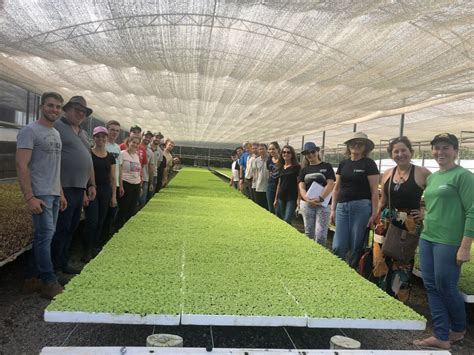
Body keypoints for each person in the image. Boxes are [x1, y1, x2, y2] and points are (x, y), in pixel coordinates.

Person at [413, 133, 473, 350]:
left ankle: (458, 328)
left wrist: (465, 247)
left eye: (446, 147)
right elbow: (431, 204)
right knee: (431, 286)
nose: (440, 152)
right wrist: (424, 214)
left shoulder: (464, 176)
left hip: (449, 241)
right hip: (428, 237)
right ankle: (440, 334)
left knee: (446, 287)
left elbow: (472, 211)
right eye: (436, 148)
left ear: (456, 151)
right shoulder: (433, 178)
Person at [16, 92, 66, 299]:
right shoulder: (29, 131)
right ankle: (48, 280)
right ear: (41, 106)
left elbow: (56, 167)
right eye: (50, 105)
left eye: (57, 107)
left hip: (53, 192)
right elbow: (21, 164)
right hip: (40, 193)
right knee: (45, 236)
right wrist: (30, 197)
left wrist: (61, 192)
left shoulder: (55, 133)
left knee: (44, 237)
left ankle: (30, 279)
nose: (54, 110)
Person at [377, 136, 431, 301]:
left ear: (411, 151)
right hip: (386, 219)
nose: (400, 154)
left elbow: (436, 196)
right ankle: (380, 294)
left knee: (403, 260)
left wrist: (425, 212)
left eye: (403, 150)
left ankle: (399, 298)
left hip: (409, 222)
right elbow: (383, 200)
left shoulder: (422, 172)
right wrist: (376, 215)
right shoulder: (387, 173)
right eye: (396, 151)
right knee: (381, 257)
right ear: (391, 154)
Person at [51, 96, 96, 279]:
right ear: (67, 109)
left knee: (71, 227)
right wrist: (59, 189)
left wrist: (90, 184)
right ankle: (54, 269)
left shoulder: (83, 133)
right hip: (64, 187)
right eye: (76, 110)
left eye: (83, 112)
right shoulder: (57, 128)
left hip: (79, 188)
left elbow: (88, 160)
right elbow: (53, 160)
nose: (80, 114)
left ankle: (63, 262)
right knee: (61, 228)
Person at [330, 132, 379, 267]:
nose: (356, 146)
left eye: (360, 144)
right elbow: (336, 188)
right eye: (353, 143)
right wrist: (333, 209)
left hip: (362, 207)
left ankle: (352, 271)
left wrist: (374, 213)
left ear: (365, 147)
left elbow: (374, 190)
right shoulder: (343, 164)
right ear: (348, 146)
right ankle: (338, 269)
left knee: (356, 244)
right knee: (338, 245)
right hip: (342, 206)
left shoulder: (369, 164)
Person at [82, 126, 116, 262]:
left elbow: (113, 178)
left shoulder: (111, 157)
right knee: (92, 221)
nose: (100, 139)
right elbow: (84, 173)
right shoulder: (88, 153)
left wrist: (113, 196)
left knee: (101, 221)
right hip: (91, 190)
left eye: (103, 136)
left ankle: (95, 246)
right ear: (93, 137)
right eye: (98, 136)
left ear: (107, 138)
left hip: (105, 190)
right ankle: (86, 250)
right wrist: (85, 191)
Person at [298, 142, 335, 246]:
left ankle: (320, 255)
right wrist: (306, 198)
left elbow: (330, 183)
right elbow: (301, 186)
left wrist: (320, 198)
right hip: (308, 204)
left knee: (321, 234)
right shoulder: (304, 170)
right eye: (307, 153)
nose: (310, 155)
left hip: (323, 204)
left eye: (312, 152)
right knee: (309, 232)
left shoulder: (326, 166)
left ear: (317, 151)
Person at [115, 135, 142, 230]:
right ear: (128, 142)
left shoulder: (136, 156)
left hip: (136, 185)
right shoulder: (122, 154)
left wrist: (140, 185)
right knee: (123, 208)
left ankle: (127, 229)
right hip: (126, 184)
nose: (135, 144)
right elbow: (119, 170)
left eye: (137, 143)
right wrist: (121, 185)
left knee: (132, 208)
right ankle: (117, 229)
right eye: (133, 142)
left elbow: (138, 172)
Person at [102, 120, 121, 242]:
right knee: (102, 216)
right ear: (107, 129)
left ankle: (105, 239)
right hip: (104, 185)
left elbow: (119, 167)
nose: (114, 132)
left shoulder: (117, 147)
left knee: (111, 214)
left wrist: (120, 184)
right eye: (112, 129)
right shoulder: (103, 145)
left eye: (117, 130)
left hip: (116, 185)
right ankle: (97, 242)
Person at [274, 145, 300, 224]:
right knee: (283, 220)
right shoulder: (281, 167)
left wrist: (299, 198)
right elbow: (279, 184)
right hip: (281, 197)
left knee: (287, 220)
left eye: (288, 152)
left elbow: (299, 184)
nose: (286, 154)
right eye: (284, 152)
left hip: (291, 198)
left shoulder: (296, 167)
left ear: (292, 154)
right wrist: (276, 198)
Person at [138, 131, 155, 207]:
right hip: (132, 179)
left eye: (149, 137)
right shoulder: (135, 146)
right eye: (146, 136)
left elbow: (151, 168)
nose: (147, 139)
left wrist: (151, 183)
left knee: (142, 201)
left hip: (144, 179)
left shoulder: (150, 152)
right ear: (142, 136)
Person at [266, 141, 281, 214]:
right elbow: (269, 172)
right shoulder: (269, 160)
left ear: (278, 149)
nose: (271, 151)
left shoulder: (282, 160)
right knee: (271, 208)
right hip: (270, 186)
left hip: (280, 186)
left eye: (273, 149)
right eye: (270, 149)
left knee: (278, 209)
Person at [254, 144, 269, 209]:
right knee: (259, 205)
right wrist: (254, 185)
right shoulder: (256, 160)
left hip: (268, 187)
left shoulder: (270, 159)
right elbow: (256, 173)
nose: (261, 150)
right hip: (259, 186)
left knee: (267, 206)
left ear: (266, 150)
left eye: (263, 149)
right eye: (260, 149)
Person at [150, 132, 164, 197]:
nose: (157, 139)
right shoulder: (147, 147)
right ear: (152, 137)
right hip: (144, 175)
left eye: (159, 138)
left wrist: (153, 169)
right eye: (156, 137)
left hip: (154, 175)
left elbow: (158, 164)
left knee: (150, 194)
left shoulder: (160, 151)